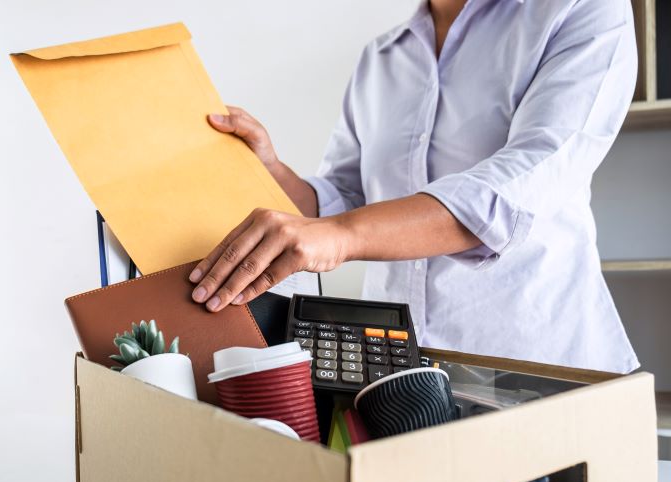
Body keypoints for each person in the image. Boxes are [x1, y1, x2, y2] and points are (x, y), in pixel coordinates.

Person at [189, 0, 639, 373]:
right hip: (402, 367)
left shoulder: (581, 11)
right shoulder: (381, 59)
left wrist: (344, 236)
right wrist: (271, 171)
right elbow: (344, 198)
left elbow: (519, 186)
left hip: (538, 366)